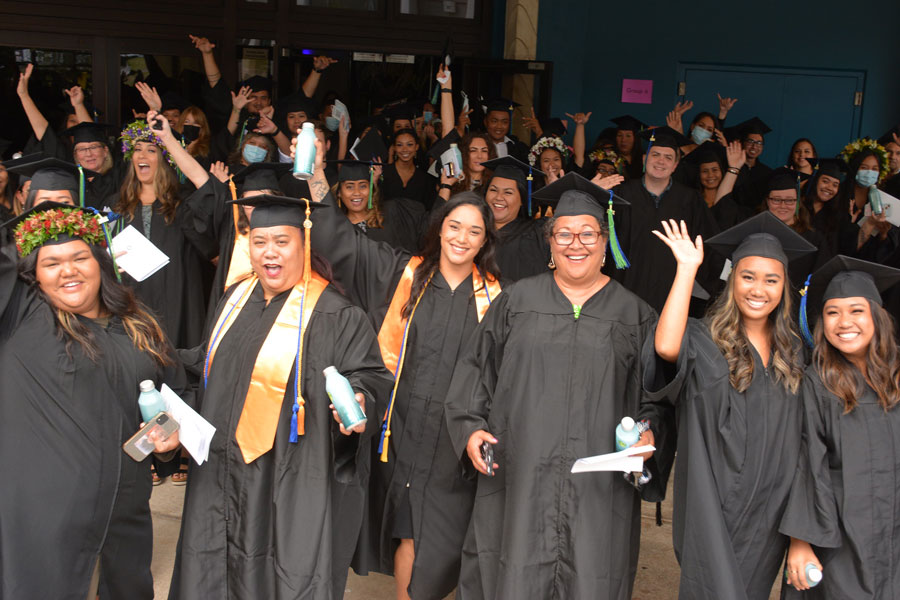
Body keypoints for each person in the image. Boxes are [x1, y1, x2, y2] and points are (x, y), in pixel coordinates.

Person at [299, 133, 502, 600]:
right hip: (401, 426)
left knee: (447, 536)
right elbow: (340, 240)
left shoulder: (498, 299)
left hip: (454, 434)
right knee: (410, 529)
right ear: (439, 227)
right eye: (455, 227)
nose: (462, 238)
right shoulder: (400, 272)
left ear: (485, 239)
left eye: (474, 231)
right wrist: (316, 179)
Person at [444, 174, 666, 599]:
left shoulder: (635, 315)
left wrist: (649, 429)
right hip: (520, 472)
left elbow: (654, 395)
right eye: (564, 233)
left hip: (599, 486)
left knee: (592, 575)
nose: (575, 244)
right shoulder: (516, 301)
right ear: (549, 242)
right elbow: (476, 369)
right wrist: (470, 427)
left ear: (606, 241)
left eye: (587, 234)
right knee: (511, 573)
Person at [168, 193, 392, 600]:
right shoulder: (233, 300)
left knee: (280, 571)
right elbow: (207, 364)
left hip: (289, 478)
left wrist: (360, 399)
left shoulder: (337, 315)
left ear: (304, 245)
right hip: (218, 473)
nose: (268, 252)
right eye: (259, 241)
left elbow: (371, 375)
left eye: (282, 241)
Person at [0, 202, 187, 599]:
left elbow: (173, 400)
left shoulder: (140, 327)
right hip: (47, 516)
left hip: (126, 511)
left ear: (101, 262)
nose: (68, 270)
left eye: (79, 257)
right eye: (51, 263)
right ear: (31, 276)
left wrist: (169, 443)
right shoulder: (24, 318)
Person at [643, 212, 815, 599]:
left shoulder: (796, 354)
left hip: (771, 509)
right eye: (748, 276)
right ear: (732, 280)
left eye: (771, 280)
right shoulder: (703, 340)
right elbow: (666, 347)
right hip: (711, 501)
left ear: (784, 287)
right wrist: (687, 270)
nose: (759, 289)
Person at [780, 255, 900, 598]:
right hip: (840, 537)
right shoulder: (817, 383)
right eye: (832, 312)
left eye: (856, 310)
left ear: (876, 316)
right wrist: (800, 541)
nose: (844, 322)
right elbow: (805, 462)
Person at [112, 113, 213, 348]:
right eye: (137, 149)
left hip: (175, 301)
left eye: (151, 150)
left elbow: (206, 248)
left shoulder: (182, 204)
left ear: (164, 159)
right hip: (131, 301)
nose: (142, 155)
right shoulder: (117, 206)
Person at [613, 126, 721, 314]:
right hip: (625, 291)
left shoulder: (690, 200)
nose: (661, 161)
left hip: (672, 294)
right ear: (645, 159)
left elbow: (709, 243)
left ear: (675, 165)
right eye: (655, 155)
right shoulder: (621, 195)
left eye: (668, 157)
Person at [332, 159, 426, 253]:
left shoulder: (389, 215)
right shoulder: (338, 230)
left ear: (370, 189)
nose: (357, 193)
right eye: (350, 187)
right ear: (339, 192)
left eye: (363, 186)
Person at [380, 127, 437, 210]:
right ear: (394, 148)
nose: (405, 149)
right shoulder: (383, 174)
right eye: (399, 145)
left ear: (416, 147)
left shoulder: (425, 178)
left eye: (409, 144)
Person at [727, 117, 773, 212]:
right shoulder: (731, 167)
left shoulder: (767, 173)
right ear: (742, 143)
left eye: (759, 143)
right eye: (750, 141)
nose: (754, 146)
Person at [610, 114, 646, 179]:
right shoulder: (609, 156)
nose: (623, 140)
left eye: (628, 136)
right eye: (620, 135)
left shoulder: (644, 158)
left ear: (635, 139)